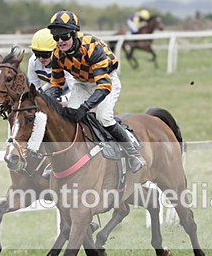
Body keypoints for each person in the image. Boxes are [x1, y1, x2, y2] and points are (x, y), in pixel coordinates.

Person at [45, 10, 145, 173]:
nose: (60, 41)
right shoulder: (57, 54)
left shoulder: (92, 46)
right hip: (82, 83)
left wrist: (84, 108)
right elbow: (56, 84)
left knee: (103, 117)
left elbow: (103, 87)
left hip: (106, 81)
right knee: (69, 118)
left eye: (64, 36)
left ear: (74, 33)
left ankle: (133, 153)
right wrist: (46, 102)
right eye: (56, 37)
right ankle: (64, 162)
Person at [26, 28, 75, 104]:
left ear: (56, 51)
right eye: (37, 54)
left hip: (79, 88)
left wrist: (61, 100)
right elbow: (33, 87)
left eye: (45, 55)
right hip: (54, 87)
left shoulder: (66, 60)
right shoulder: (33, 61)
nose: (41, 58)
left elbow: (76, 90)